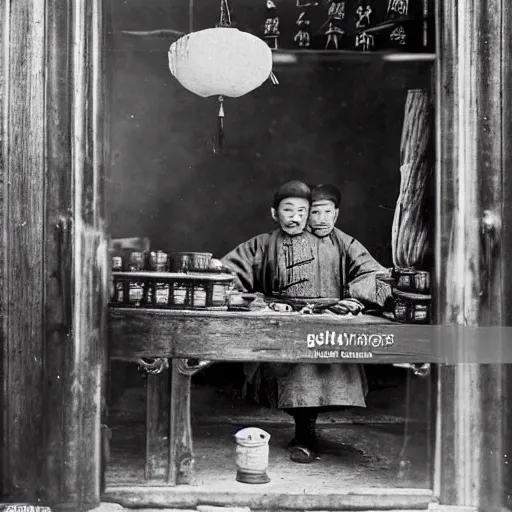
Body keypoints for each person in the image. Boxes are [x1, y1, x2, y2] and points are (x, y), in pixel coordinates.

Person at [221, 180, 391, 463]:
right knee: (295, 375)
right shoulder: (265, 243)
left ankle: (305, 433)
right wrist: (262, 303)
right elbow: (227, 272)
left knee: (318, 372)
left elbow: (372, 273)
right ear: (277, 213)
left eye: (326, 213)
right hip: (284, 321)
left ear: (336, 214)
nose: (318, 220)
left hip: (327, 320)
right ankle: (304, 433)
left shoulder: (342, 242)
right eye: (314, 212)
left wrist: (355, 297)